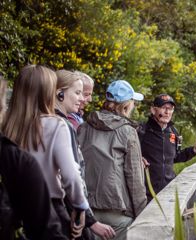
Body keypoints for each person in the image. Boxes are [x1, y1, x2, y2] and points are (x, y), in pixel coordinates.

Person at [2, 65, 89, 239]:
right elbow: (71, 175)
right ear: (51, 92)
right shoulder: (56, 125)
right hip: (49, 209)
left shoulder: (6, 125)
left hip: (11, 209)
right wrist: (80, 207)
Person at [78, 80, 147, 240]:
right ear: (126, 106)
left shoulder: (84, 127)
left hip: (86, 212)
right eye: (133, 103)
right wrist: (143, 216)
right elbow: (135, 179)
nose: (134, 106)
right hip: (117, 214)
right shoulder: (128, 132)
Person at [55, 69, 115, 240]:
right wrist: (86, 215)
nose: (83, 99)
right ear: (60, 93)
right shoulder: (63, 125)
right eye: (78, 93)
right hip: (65, 208)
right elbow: (72, 175)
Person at [138, 94, 196, 201]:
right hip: (146, 195)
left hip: (168, 192)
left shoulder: (173, 132)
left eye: (170, 109)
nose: (167, 112)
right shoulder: (141, 131)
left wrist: (194, 150)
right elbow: (129, 157)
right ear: (153, 110)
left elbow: (175, 157)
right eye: (163, 108)